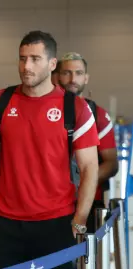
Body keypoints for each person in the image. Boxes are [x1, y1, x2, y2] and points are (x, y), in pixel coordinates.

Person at [0, 30, 100, 269]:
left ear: (52, 64)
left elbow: (89, 167)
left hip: (57, 223)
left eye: (34, 59)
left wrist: (80, 218)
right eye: (22, 58)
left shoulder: (76, 108)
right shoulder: (0, 102)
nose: (26, 66)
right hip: (5, 223)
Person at [58, 52, 118, 232]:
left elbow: (111, 163)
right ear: (57, 75)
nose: (72, 79)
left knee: (85, 258)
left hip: (89, 203)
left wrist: (83, 183)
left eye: (78, 73)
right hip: (49, 205)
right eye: (66, 73)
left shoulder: (98, 115)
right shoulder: (45, 112)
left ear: (86, 78)